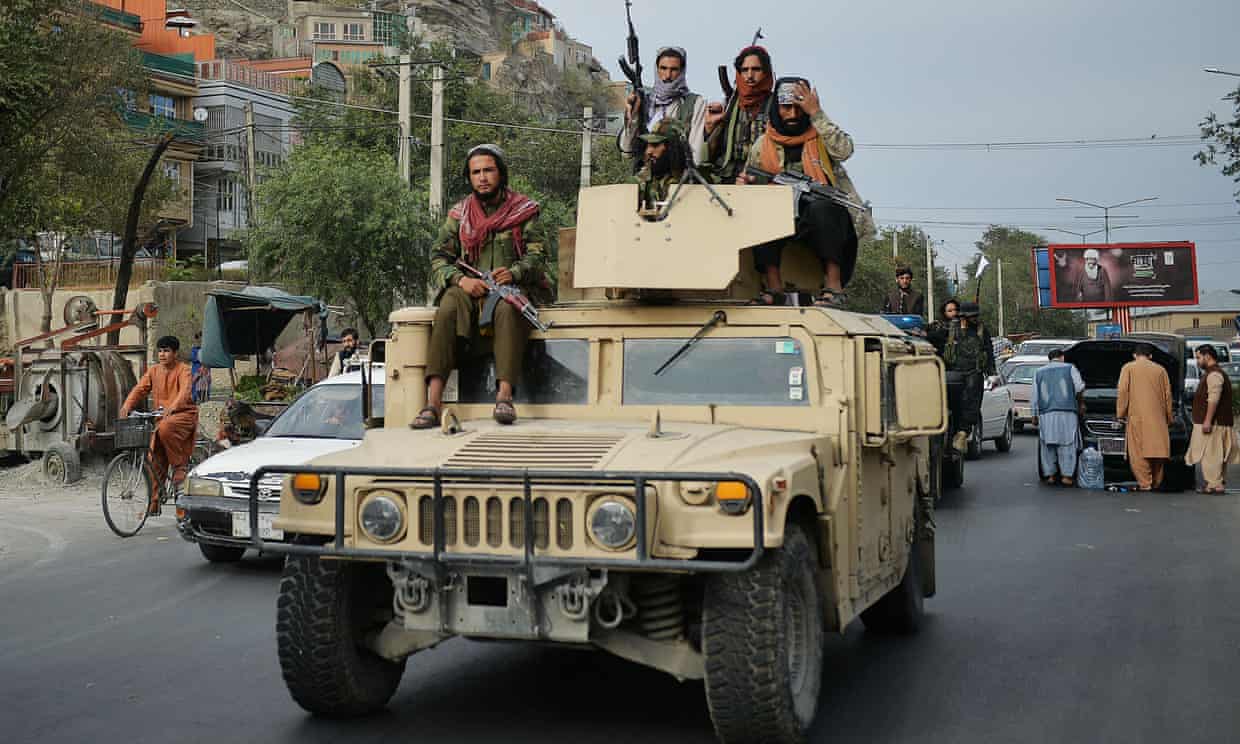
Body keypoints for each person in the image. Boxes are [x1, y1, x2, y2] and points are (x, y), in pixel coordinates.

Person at [415, 144, 546, 429]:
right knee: (448, 305)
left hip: (509, 289)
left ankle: (504, 397)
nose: (482, 177)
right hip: (470, 290)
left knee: (508, 310)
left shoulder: (523, 210)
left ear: (501, 173)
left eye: (488, 170)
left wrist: (513, 272)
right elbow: (438, 256)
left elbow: (538, 256)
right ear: (469, 177)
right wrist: (460, 279)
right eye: (476, 172)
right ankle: (432, 403)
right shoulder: (459, 215)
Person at [741, 77, 875, 307]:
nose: (793, 114)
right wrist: (745, 184)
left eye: (798, 107)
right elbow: (749, 178)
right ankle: (774, 287)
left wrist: (816, 113)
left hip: (823, 217)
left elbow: (844, 150)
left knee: (823, 208)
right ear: (776, 108)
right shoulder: (763, 144)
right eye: (786, 108)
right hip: (781, 218)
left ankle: (833, 286)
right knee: (765, 207)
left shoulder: (821, 137)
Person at [119, 336, 200, 510]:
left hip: (183, 415)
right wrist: (127, 405)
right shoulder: (154, 370)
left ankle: (179, 466)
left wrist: (173, 406)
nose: (162, 354)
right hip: (162, 418)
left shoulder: (184, 370)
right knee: (155, 458)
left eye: (167, 351)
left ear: (175, 353)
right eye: (160, 351)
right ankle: (154, 502)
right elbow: (140, 389)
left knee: (164, 427)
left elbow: (185, 391)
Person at [620, 46, 707, 168]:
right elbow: (626, 151)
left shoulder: (695, 103)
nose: (667, 75)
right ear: (657, 69)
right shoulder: (645, 102)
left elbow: (696, 154)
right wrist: (633, 115)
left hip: (679, 179)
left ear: (682, 71)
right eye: (663, 68)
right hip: (645, 177)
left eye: (674, 69)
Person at [703, 44, 774, 183]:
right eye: (745, 70)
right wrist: (709, 128)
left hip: (761, 176)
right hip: (726, 173)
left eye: (756, 69)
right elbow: (709, 153)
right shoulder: (730, 104)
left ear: (766, 72)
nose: (749, 75)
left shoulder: (775, 106)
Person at [1116, 342, 1173, 490]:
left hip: (1137, 417)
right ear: (1151, 356)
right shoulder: (1161, 370)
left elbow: (1123, 392)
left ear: (1135, 355)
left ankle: (1145, 483)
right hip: (1159, 418)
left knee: (1138, 453)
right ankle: (1156, 481)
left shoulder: (1128, 368)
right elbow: (1168, 396)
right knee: (1158, 451)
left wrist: (1120, 413)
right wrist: (1169, 417)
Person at [1185, 344, 1238, 493]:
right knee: (1214, 454)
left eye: (1198, 357)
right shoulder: (1212, 373)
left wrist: (1208, 420)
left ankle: (1215, 484)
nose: (1197, 361)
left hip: (1214, 423)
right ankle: (1214, 484)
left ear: (1207, 356)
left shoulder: (1214, 375)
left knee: (1211, 455)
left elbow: (1213, 399)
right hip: (1218, 422)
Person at [943, 301, 995, 452]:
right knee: (954, 405)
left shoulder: (981, 330)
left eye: (976, 316)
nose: (975, 318)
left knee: (972, 405)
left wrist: (991, 373)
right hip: (954, 372)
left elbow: (988, 351)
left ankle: (963, 433)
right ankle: (954, 433)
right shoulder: (951, 328)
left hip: (974, 372)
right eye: (972, 316)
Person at [1031, 349, 1086, 486]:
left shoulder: (1038, 372)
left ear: (1049, 359)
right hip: (1067, 413)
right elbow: (1079, 388)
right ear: (1062, 357)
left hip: (1046, 413)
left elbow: (1034, 396)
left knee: (1047, 444)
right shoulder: (1070, 368)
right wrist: (1081, 404)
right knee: (1067, 444)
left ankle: (1050, 475)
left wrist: (1034, 415)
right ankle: (1066, 476)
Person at [634, 118, 688, 213]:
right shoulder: (642, 179)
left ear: (673, 148)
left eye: (655, 145)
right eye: (648, 145)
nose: (648, 151)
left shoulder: (693, 181)